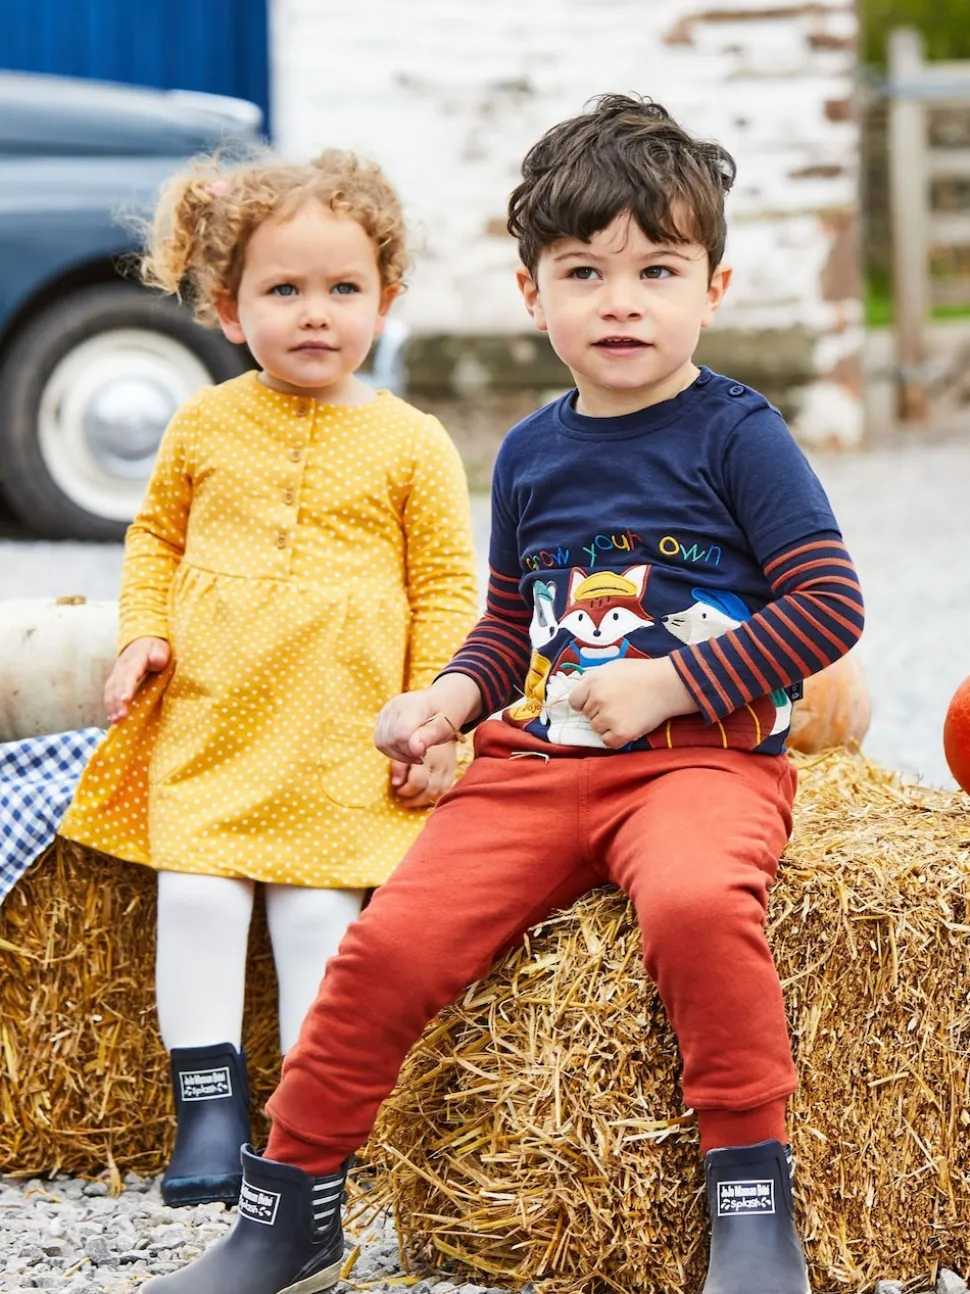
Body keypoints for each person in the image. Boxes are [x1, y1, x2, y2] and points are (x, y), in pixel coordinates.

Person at [143, 95, 865, 1294]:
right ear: (532, 295)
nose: (620, 301)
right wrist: (446, 700)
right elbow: (506, 624)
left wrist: (671, 683)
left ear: (714, 288)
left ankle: (751, 1203)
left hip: (703, 765)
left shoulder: (739, 437)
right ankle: (290, 1209)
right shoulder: (531, 450)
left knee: (696, 905)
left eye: (657, 270)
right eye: (584, 272)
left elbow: (828, 606)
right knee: (386, 944)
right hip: (539, 764)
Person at [59, 148, 477, 1210]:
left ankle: (307, 1117)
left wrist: (438, 714)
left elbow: (444, 586)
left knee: (314, 917)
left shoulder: (413, 443)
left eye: (343, 289)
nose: (315, 313)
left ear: (386, 300)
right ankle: (206, 1105)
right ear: (228, 310)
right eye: (283, 290)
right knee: (198, 897)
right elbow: (155, 538)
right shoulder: (203, 422)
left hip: (340, 735)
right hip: (215, 727)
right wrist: (143, 634)